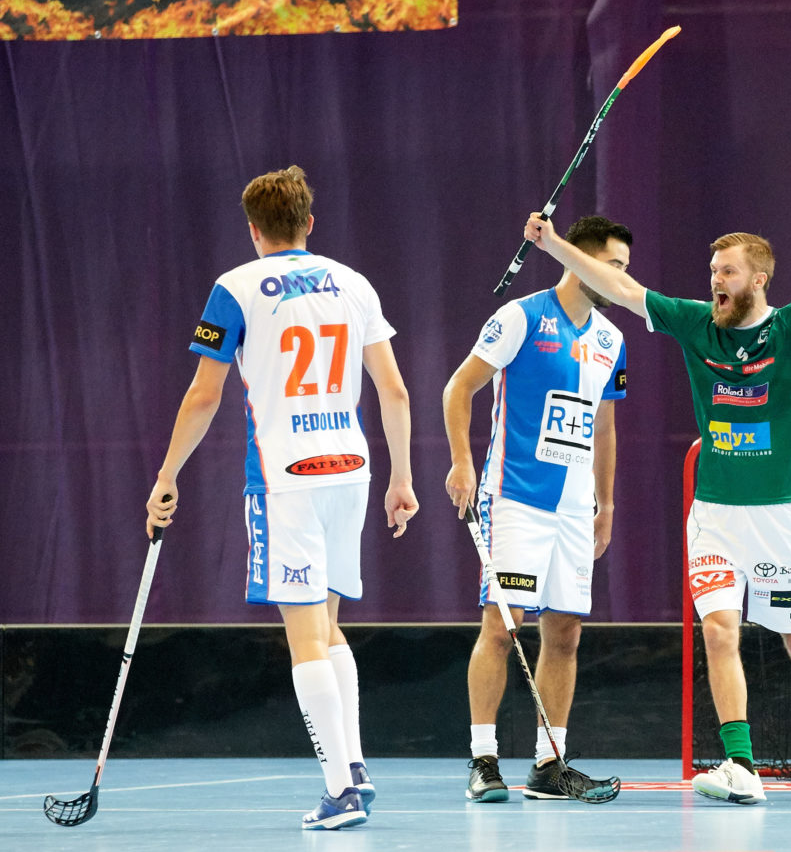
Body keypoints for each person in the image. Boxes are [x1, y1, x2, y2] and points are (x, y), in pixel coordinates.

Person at [523, 198, 791, 804]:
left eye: (726, 272)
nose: (715, 282)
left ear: (758, 279)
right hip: (714, 517)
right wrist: (555, 248)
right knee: (719, 632)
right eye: (712, 273)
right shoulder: (695, 322)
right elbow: (619, 288)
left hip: (780, 514)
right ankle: (741, 766)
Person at [144, 166, 418, 829]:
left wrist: (166, 474)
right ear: (310, 223)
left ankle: (341, 790)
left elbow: (204, 393)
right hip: (349, 470)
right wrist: (402, 477)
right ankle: (352, 765)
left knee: (304, 640)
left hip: (284, 478)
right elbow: (396, 390)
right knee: (327, 628)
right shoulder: (354, 283)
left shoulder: (233, 288)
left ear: (253, 230)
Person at [443, 215, 632, 803]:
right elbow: (459, 388)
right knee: (502, 628)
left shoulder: (610, 340)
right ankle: (483, 761)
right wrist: (461, 463)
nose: (619, 276)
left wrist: (605, 503)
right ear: (577, 258)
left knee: (567, 633)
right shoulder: (520, 317)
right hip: (516, 501)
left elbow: (604, 424)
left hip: (574, 514)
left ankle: (549, 768)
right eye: (613, 264)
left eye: (623, 268)